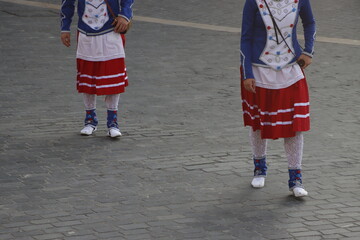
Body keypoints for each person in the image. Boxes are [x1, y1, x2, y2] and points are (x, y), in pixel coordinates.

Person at [240, 0, 316, 197]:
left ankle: (295, 177)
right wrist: (247, 73)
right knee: (258, 123)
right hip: (259, 70)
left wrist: (308, 51)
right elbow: (245, 38)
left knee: (295, 123)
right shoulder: (253, 2)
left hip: (291, 69)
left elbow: (310, 22)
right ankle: (259, 167)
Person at [60, 0, 134, 137]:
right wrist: (65, 28)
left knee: (113, 78)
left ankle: (113, 122)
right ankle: (90, 120)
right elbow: (67, 3)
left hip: (111, 31)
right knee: (88, 77)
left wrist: (125, 15)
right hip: (86, 33)